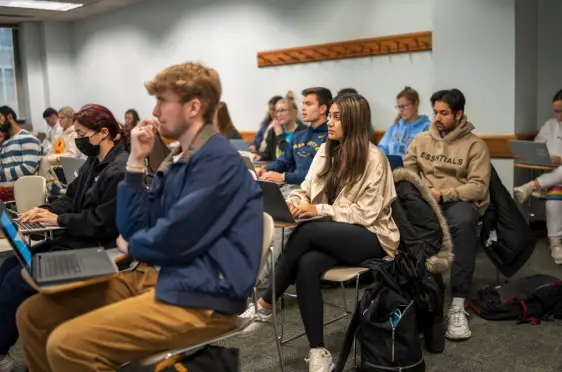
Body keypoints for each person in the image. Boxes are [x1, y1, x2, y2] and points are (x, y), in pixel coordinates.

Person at [16, 61, 263, 372]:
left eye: (162, 101)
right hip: (150, 275)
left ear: (193, 107)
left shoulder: (217, 161)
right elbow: (132, 225)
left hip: (202, 294)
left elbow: (171, 239)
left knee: (67, 345)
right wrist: (134, 162)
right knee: (33, 315)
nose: (155, 112)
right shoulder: (178, 159)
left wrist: (134, 246)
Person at [243, 93, 399, 372]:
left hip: (372, 236)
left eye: (337, 117)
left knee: (308, 230)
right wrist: (294, 202)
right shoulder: (327, 150)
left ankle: (266, 302)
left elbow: (366, 214)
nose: (329, 121)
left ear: (354, 120)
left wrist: (319, 210)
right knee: (306, 263)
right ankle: (319, 350)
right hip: (335, 234)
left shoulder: (375, 159)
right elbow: (306, 187)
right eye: (330, 116)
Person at [0, 104, 129, 371]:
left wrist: (57, 220)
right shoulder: (94, 162)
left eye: (81, 133)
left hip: (95, 249)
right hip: (76, 238)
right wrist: (43, 211)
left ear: (102, 133)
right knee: (10, 265)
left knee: (17, 279)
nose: (77, 138)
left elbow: (101, 223)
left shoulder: (120, 170)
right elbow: (70, 198)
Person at [404, 89, 491, 341]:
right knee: (401, 217)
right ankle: (417, 297)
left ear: (459, 114)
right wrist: (422, 190)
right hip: (426, 199)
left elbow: (478, 187)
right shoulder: (421, 140)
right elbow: (408, 171)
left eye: (444, 113)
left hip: (457, 200)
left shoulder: (475, 145)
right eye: (435, 112)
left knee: (464, 222)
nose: (438, 118)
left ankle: (457, 305)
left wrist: (443, 193)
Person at [514, 89, 562, 263]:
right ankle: (555, 243)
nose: (558, 116)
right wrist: (547, 157)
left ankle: (533, 185)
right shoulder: (549, 125)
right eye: (556, 111)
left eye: (561, 111)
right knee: (553, 201)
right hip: (555, 178)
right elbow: (537, 148)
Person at [378, 86, 430, 158]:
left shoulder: (426, 127)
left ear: (416, 104)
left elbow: (423, 156)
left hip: (411, 168)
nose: (401, 110)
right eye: (399, 107)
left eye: (404, 106)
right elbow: (382, 148)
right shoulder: (394, 126)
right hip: (390, 166)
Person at [255, 91, 304, 162]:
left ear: (293, 112)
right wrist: (259, 156)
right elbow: (267, 154)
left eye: (282, 110)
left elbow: (292, 157)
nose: (279, 114)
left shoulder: (303, 132)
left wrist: (280, 136)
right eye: (277, 111)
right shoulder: (273, 130)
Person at [0, 106, 41, 185]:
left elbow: (29, 168)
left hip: (19, 189)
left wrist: (1, 174)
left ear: (9, 117)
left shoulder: (27, 138)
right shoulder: (5, 142)